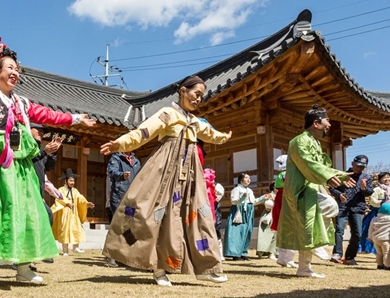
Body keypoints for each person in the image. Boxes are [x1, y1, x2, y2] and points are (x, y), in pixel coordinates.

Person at [0, 41, 96, 290]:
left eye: (17, 68)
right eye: (9, 67)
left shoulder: (22, 102)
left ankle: (23, 268)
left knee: (26, 213)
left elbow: (48, 114)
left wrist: (76, 118)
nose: (15, 72)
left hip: (19, 169)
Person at [100, 75, 232, 287]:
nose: (199, 99)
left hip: (190, 175)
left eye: (201, 96)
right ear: (183, 91)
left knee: (200, 214)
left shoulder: (195, 122)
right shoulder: (168, 113)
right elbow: (143, 132)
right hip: (165, 171)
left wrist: (224, 136)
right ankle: (159, 268)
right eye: (196, 94)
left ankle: (206, 266)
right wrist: (119, 144)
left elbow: (210, 134)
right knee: (159, 215)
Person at [276, 105, 355, 278]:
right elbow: (308, 164)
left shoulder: (316, 143)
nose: (329, 125)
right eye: (326, 120)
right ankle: (315, 247)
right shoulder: (299, 141)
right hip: (300, 189)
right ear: (316, 123)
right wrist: (329, 176)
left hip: (312, 188)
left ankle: (304, 268)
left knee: (310, 226)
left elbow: (322, 166)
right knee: (328, 208)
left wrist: (339, 176)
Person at [329, 155, 373, 265]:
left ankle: (349, 257)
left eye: (362, 167)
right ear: (353, 163)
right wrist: (339, 195)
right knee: (339, 230)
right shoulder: (343, 175)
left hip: (358, 208)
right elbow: (332, 188)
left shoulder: (366, 177)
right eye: (358, 166)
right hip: (343, 207)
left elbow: (369, 192)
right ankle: (337, 253)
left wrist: (364, 189)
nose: (359, 168)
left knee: (357, 233)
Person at [51, 169, 95, 255]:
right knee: (65, 231)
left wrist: (86, 203)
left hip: (74, 214)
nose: (72, 182)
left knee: (77, 228)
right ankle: (65, 250)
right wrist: (67, 203)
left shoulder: (75, 190)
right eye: (70, 181)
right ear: (66, 181)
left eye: (73, 181)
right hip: (64, 213)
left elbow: (80, 198)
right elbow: (59, 199)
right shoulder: (61, 190)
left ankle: (76, 247)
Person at [223, 173, 267, 260]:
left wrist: (263, 197)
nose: (248, 179)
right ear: (240, 179)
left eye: (249, 178)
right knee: (237, 231)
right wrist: (242, 198)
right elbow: (233, 201)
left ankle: (243, 252)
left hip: (249, 211)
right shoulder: (236, 189)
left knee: (247, 231)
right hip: (239, 211)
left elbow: (253, 201)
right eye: (246, 177)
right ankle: (235, 253)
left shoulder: (250, 190)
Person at [359, 172, 390, 260]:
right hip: (379, 213)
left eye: (388, 177)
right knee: (378, 234)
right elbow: (372, 201)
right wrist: (382, 204)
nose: (387, 179)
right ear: (380, 180)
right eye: (384, 178)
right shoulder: (378, 189)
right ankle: (378, 252)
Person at [30, 123, 62, 226]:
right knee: (46, 217)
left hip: (37, 194)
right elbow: (28, 159)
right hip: (27, 192)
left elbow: (48, 167)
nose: (41, 133)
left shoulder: (38, 149)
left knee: (47, 217)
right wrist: (45, 152)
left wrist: (53, 152)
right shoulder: (25, 145)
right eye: (38, 129)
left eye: (43, 131)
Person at [271, 155, 297, 268]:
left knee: (281, 231)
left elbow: (277, 187)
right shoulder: (289, 175)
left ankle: (282, 258)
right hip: (288, 201)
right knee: (293, 230)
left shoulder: (280, 175)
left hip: (280, 201)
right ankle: (289, 258)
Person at [256, 183, 277, 260]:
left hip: (277, 215)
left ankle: (272, 253)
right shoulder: (268, 195)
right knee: (264, 235)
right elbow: (257, 201)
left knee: (275, 235)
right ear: (273, 187)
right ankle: (261, 252)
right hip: (267, 215)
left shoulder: (282, 195)